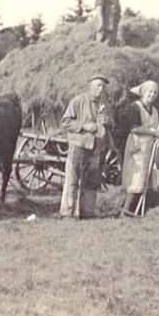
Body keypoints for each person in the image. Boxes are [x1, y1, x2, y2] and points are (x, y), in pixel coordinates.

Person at [59, 74, 112, 219]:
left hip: (97, 148)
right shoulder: (78, 101)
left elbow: (110, 124)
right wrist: (84, 126)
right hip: (79, 145)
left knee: (92, 180)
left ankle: (87, 212)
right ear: (90, 86)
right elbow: (65, 122)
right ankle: (68, 212)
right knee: (72, 178)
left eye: (103, 87)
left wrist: (107, 121)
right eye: (98, 86)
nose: (101, 90)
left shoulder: (105, 105)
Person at [121, 80, 159, 217]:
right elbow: (135, 128)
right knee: (136, 178)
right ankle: (126, 211)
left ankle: (141, 209)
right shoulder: (135, 108)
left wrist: (157, 135)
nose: (152, 95)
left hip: (149, 148)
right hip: (137, 147)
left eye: (155, 92)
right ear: (143, 93)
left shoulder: (155, 111)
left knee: (147, 179)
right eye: (150, 92)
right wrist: (152, 132)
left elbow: (156, 128)